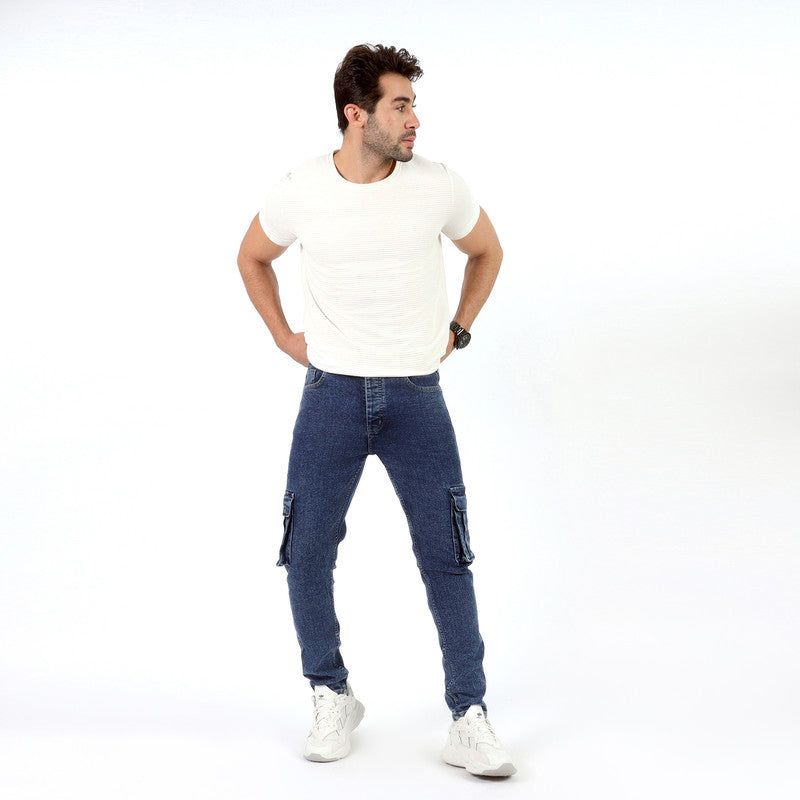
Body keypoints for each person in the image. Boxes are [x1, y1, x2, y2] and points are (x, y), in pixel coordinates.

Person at [237, 43, 515, 777]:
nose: (415, 119)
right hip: (329, 392)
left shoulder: (438, 185)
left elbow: (487, 251)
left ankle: (469, 715)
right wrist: (284, 337)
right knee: (306, 549)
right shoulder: (301, 188)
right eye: (401, 105)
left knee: (446, 554)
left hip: (416, 395)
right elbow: (252, 256)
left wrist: (458, 329)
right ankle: (330, 692)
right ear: (356, 115)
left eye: (414, 104)